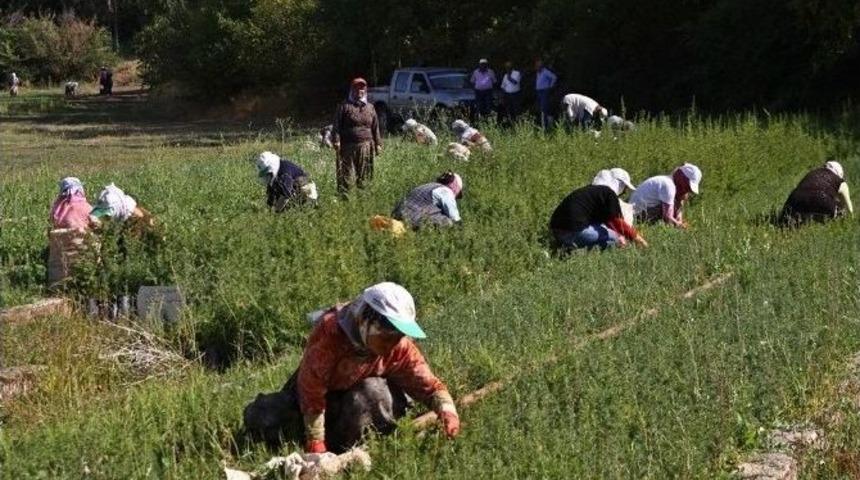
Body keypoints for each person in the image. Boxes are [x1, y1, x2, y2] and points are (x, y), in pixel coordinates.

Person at [244, 282, 460, 454]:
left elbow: (428, 384)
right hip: (319, 399)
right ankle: (317, 444)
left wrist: (447, 411)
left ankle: (351, 446)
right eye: (386, 337)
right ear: (366, 323)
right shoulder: (330, 334)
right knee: (264, 415)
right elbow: (311, 388)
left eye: (397, 338)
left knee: (373, 393)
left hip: (362, 403)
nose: (391, 345)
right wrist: (315, 439)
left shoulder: (398, 347)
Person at [549, 172, 647, 251]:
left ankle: (566, 248)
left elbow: (607, 221)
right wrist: (637, 238)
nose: (623, 192)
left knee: (606, 231)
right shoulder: (608, 193)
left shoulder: (591, 192)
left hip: (556, 232)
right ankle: (577, 251)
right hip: (574, 233)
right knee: (617, 240)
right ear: (620, 184)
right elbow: (617, 222)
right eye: (624, 189)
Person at [332, 78, 382, 196]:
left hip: (366, 146)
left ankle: (363, 198)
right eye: (356, 87)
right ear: (352, 90)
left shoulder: (370, 107)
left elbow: (375, 127)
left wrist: (378, 144)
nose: (360, 90)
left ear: (365, 90)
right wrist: (336, 140)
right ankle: (345, 198)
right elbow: (336, 125)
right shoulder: (344, 106)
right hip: (347, 146)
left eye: (362, 87)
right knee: (346, 175)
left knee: (365, 174)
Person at [779, 160, 853, 225]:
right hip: (822, 200)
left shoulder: (812, 173)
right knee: (840, 210)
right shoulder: (840, 182)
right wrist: (851, 220)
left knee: (785, 222)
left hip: (795, 199)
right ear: (839, 174)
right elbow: (848, 207)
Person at [630, 163, 702, 228]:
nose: (687, 190)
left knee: (673, 202)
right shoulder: (668, 186)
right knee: (667, 207)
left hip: (636, 213)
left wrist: (679, 218)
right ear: (681, 177)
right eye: (687, 186)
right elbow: (667, 217)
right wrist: (680, 226)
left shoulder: (668, 181)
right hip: (636, 216)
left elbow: (678, 206)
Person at [392, 172, 463, 229]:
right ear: (455, 187)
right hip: (412, 218)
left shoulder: (428, 185)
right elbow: (455, 217)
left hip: (397, 213)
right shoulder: (446, 191)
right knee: (448, 222)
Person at [534, 59, 558, 130]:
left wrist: (550, 86)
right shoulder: (538, 72)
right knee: (542, 108)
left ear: (541, 66)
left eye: (538, 65)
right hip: (539, 92)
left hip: (544, 91)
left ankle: (544, 126)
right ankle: (546, 124)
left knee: (543, 109)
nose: (536, 67)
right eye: (536, 65)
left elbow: (554, 77)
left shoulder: (545, 71)